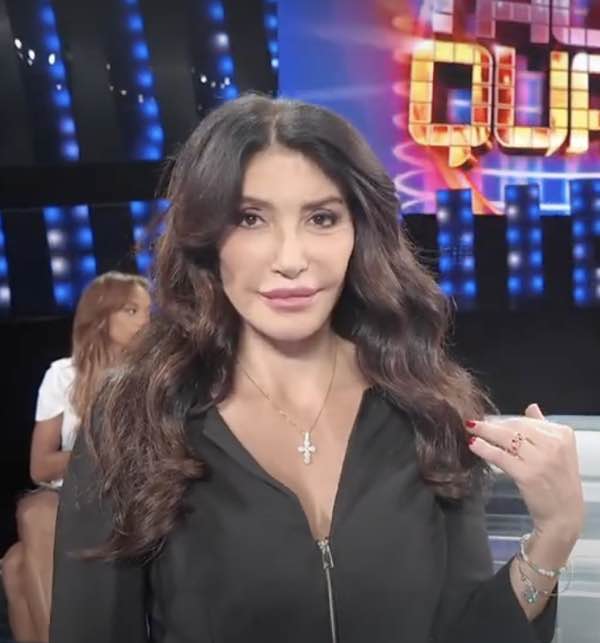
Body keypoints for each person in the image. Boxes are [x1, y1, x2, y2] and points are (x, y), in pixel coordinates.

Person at [50, 95, 584, 643]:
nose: (290, 259)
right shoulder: (135, 421)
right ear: (206, 238)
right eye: (250, 219)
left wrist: (554, 534)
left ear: (358, 232)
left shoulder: (428, 408)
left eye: (321, 218)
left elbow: (465, 634)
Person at [2, 271, 150, 643]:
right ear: (101, 317)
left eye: (150, 311)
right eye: (132, 310)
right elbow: (40, 466)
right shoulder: (62, 376)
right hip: (68, 493)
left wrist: (95, 454)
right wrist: (96, 450)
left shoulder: (151, 376)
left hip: (125, 494)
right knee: (17, 555)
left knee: (20, 556)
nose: (146, 321)